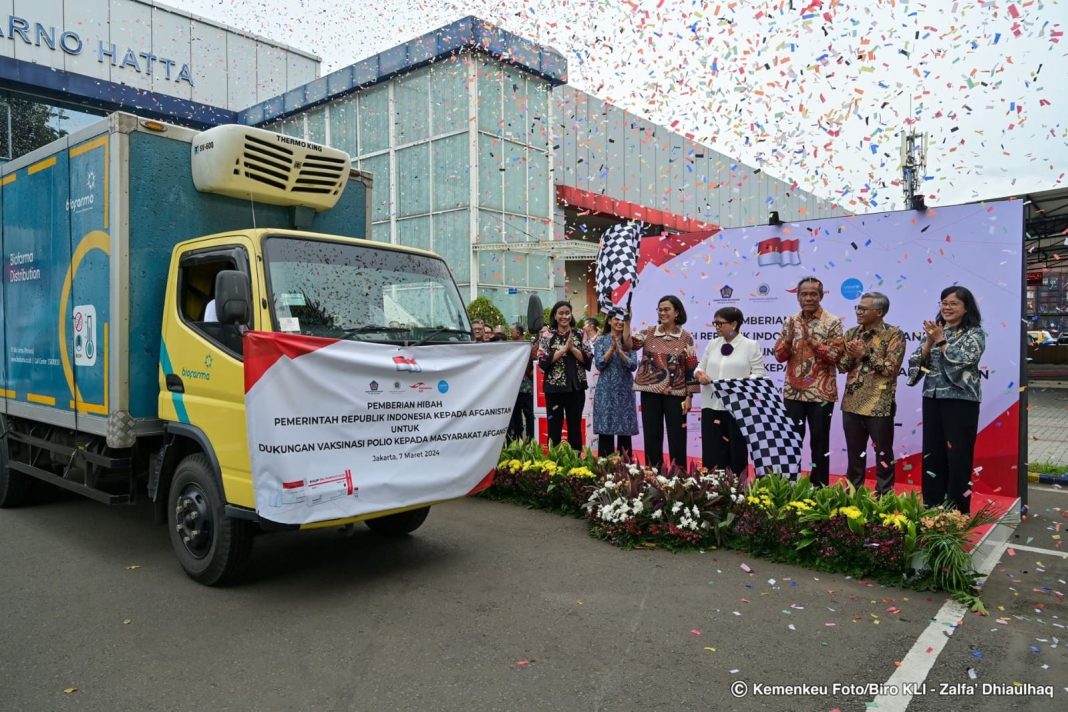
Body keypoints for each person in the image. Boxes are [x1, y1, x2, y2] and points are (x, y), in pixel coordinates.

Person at [907, 286, 986, 513]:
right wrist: (929, 342)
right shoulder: (936, 332)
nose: (947, 307)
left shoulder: (974, 333)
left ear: (966, 308)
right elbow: (916, 364)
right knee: (932, 454)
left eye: (953, 303)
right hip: (932, 398)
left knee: (958, 456)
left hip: (960, 402)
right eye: (944, 302)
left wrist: (940, 341)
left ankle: (957, 512)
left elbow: (961, 360)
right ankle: (931, 507)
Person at [774, 277, 843, 486]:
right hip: (793, 393)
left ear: (821, 296)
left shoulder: (832, 322)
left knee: (819, 443)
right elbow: (779, 356)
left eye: (813, 294)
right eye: (804, 294)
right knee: (790, 441)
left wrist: (812, 341)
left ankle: (819, 486)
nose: (808, 298)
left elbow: (835, 356)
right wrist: (786, 341)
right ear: (798, 296)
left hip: (821, 394)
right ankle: (789, 484)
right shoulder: (790, 321)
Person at [836, 292, 905, 495]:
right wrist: (848, 354)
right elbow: (842, 366)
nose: (859, 312)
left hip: (879, 404)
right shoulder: (851, 333)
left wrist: (865, 355)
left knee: (883, 454)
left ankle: (884, 496)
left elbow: (891, 368)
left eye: (864, 309)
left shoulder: (894, 335)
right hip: (852, 403)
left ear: (879, 312)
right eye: (858, 308)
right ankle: (853, 495)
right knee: (855, 455)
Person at [624, 295, 699, 471]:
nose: (663, 312)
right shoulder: (648, 332)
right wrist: (627, 321)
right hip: (650, 392)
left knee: (677, 437)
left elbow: (691, 368)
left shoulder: (686, 338)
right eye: (660, 309)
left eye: (667, 309)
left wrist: (689, 397)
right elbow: (628, 345)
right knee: (652, 436)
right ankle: (653, 474)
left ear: (677, 312)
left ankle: (679, 477)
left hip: (677, 394)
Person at [694, 306, 765, 475]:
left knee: (736, 452)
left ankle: (737, 492)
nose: (717, 327)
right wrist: (700, 375)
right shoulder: (713, 344)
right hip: (711, 405)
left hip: (737, 408)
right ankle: (711, 490)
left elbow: (759, 374)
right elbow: (699, 368)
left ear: (734, 324)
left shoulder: (750, 345)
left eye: (720, 323)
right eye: (715, 323)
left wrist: (735, 384)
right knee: (712, 450)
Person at [537, 301, 593, 449]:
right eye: (561, 313)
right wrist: (562, 350)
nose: (564, 316)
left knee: (575, 427)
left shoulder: (580, 334)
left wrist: (572, 348)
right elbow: (542, 361)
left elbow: (588, 360)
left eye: (567, 313)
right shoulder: (547, 335)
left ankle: (576, 464)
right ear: (555, 316)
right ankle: (554, 463)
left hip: (576, 389)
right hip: (554, 390)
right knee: (554, 427)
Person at [592, 312, 639, 456]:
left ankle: (625, 469)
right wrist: (612, 349)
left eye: (622, 320)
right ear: (610, 321)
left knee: (625, 429)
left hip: (624, 388)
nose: (619, 322)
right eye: (616, 319)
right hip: (606, 389)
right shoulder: (600, 340)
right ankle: (605, 468)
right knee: (606, 428)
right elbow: (599, 364)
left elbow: (632, 365)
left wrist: (620, 351)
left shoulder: (630, 341)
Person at [508, 323, 535, 441]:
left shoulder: (528, 346)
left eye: (512, 331)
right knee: (515, 412)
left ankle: (531, 435)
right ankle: (518, 435)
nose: (510, 334)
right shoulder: (510, 347)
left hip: (526, 387)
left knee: (528, 413)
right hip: (513, 387)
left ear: (518, 333)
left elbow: (534, 363)